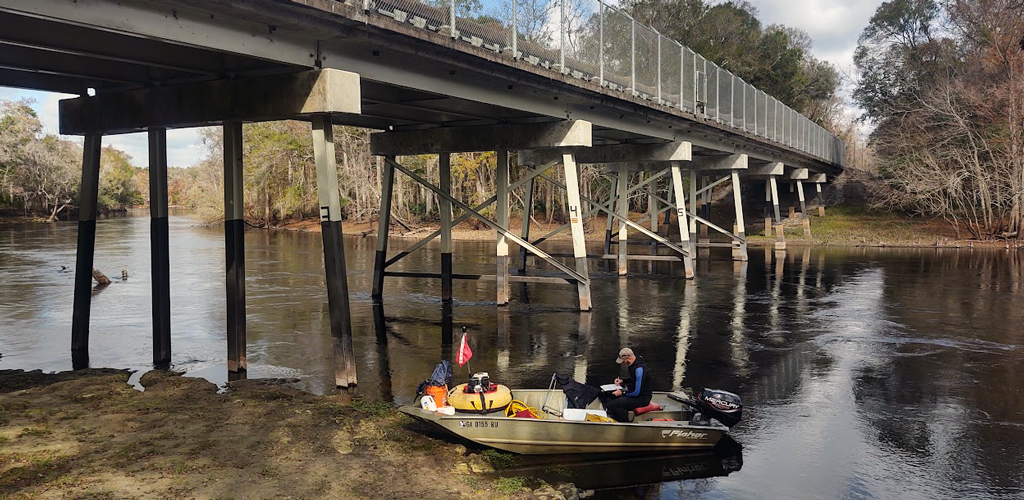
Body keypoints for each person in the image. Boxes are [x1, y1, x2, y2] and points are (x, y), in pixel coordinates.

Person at [601, 347, 653, 422]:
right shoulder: (633, 364)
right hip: (634, 393)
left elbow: (636, 392)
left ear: (629, 358)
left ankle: (626, 424)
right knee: (606, 395)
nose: (623, 363)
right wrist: (622, 381)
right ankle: (612, 416)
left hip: (642, 398)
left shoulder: (639, 370)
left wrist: (622, 393)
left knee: (614, 405)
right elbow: (633, 379)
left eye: (623, 361)